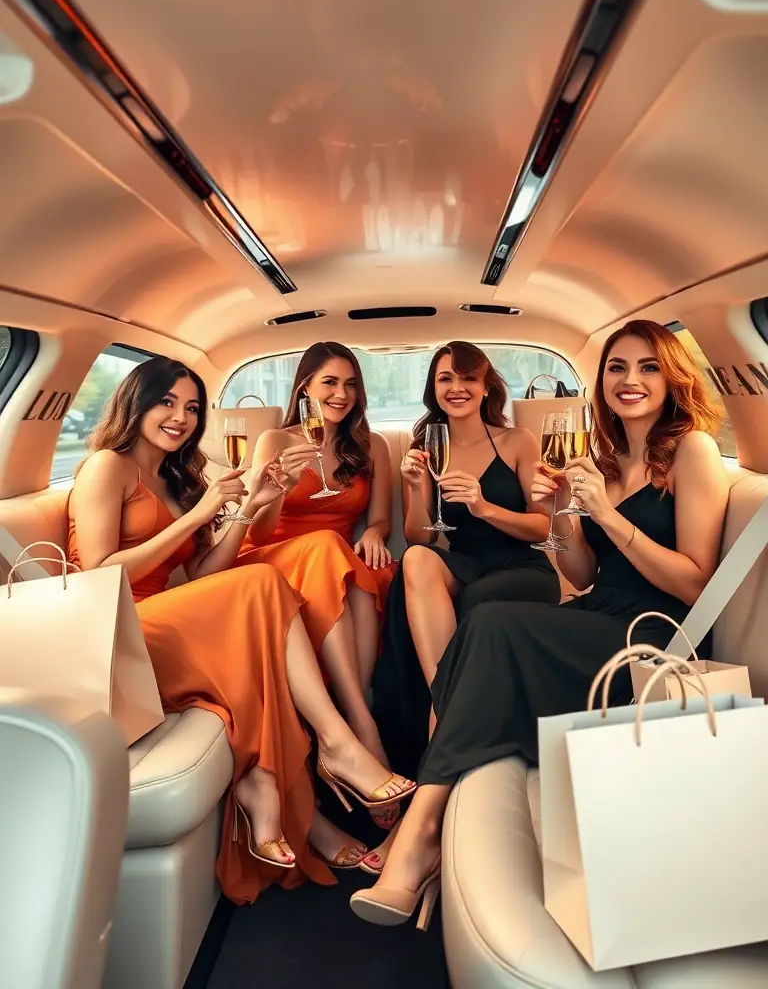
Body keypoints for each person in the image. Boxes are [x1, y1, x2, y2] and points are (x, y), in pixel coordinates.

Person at [350, 319, 729, 927]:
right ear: (601, 380)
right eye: (616, 368)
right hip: (600, 613)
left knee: (494, 624)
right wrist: (562, 517)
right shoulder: (604, 460)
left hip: (656, 637)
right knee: (483, 624)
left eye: (647, 367)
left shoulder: (692, 450)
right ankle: (426, 827)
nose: (630, 381)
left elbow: (695, 581)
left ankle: (418, 832)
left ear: (672, 377)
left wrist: (609, 515)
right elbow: (580, 574)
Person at [66, 355, 415, 906]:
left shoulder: (175, 477)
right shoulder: (108, 467)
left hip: (166, 615)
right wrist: (199, 513)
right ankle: (337, 742)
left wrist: (250, 506)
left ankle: (301, 801)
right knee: (260, 590)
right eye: (166, 402)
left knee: (259, 597)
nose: (180, 417)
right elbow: (96, 573)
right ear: (135, 403)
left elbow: (204, 575)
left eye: (192, 407)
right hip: (114, 628)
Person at [364, 342, 560, 871]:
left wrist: (482, 505)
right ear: (433, 387)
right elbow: (419, 536)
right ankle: (451, 707)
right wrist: (415, 489)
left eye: (467, 379)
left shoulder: (517, 440)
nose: (457, 388)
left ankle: (419, 811)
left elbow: (543, 529)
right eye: (445, 378)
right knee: (418, 563)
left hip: (522, 569)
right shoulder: (426, 445)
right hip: (464, 563)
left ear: (486, 385)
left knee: (471, 600)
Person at [237, 342, 399, 827]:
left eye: (351, 384)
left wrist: (372, 532)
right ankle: (362, 727)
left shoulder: (373, 447)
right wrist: (280, 488)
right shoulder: (275, 441)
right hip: (272, 559)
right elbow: (254, 531)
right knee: (330, 547)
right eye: (329, 382)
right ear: (305, 386)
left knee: (377, 571)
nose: (341, 394)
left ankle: (355, 713)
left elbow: (380, 521)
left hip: (331, 561)